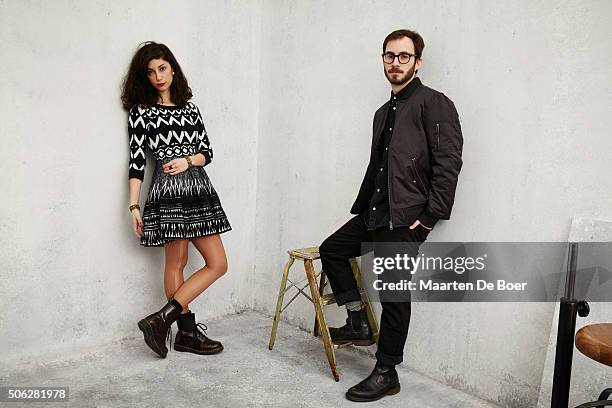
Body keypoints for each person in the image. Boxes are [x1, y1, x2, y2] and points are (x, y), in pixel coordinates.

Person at [319, 29, 463, 402]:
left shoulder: (435, 103)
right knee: (332, 249)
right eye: (389, 56)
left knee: (394, 293)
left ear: (418, 61)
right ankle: (358, 320)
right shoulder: (383, 112)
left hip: (407, 217)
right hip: (376, 212)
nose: (395, 63)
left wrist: (429, 217)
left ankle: (387, 371)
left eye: (404, 56)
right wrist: (366, 208)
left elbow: (448, 164)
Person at [120, 41, 232, 359]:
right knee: (177, 262)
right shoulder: (141, 113)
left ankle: (161, 319)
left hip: (198, 189)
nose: (158, 76)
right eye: (151, 71)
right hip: (168, 193)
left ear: (173, 68)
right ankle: (185, 334)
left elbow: (207, 152)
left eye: (163, 68)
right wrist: (133, 205)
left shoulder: (190, 108)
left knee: (218, 264)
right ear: (144, 77)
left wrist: (189, 161)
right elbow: (136, 162)